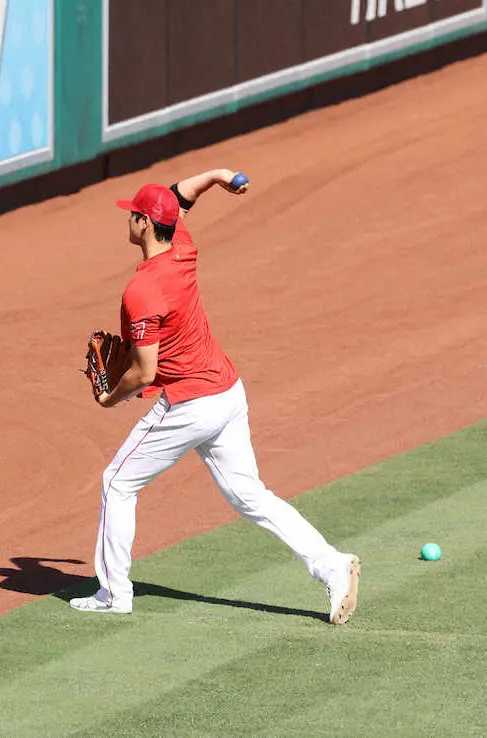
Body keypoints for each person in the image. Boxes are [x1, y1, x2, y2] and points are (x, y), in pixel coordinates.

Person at [70, 169, 360, 624]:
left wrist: (112, 398)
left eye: (132, 214)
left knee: (117, 482)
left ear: (145, 224)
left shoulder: (142, 290)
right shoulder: (181, 249)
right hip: (227, 393)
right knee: (250, 497)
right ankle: (332, 565)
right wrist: (220, 175)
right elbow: (181, 195)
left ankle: (113, 593)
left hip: (190, 405)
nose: (127, 219)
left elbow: (144, 372)